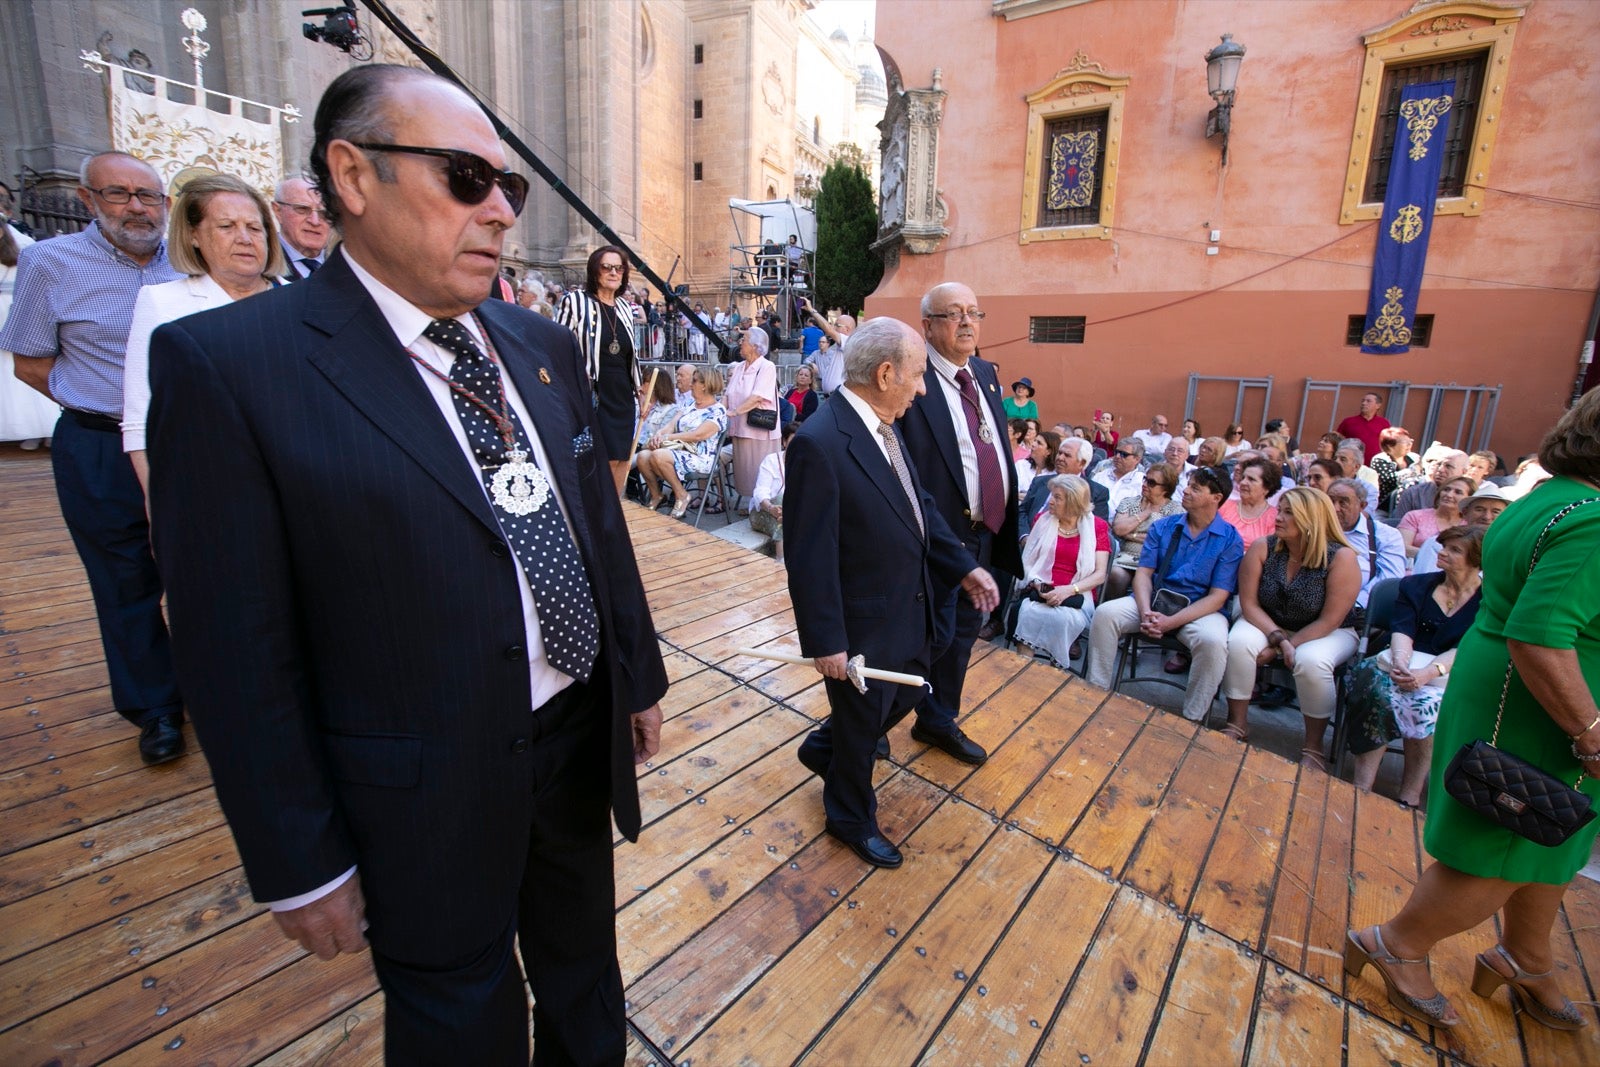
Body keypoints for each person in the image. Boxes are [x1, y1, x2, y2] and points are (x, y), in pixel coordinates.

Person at [142, 64, 668, 1063]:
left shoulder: (538, 344)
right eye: (468, 179)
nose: (501, 212)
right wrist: (297, 858)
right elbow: (232, 647)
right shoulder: (230, 368)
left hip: (568, 739)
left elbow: (597, 530)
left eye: (508, 187)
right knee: (456, 1014)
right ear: (352, 173)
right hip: (415, 782)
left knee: (583, 972)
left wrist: (633, 675)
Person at [1348, 388, 1600, 1034]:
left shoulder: (1547, 499)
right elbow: (1542, 634)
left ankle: (1527, 956)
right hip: (1538, 708)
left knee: (1549, 841)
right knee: (1502, 847)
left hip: (1510, 690)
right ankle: (1395, 944)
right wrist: (1592, 732)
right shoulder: (1595, 519)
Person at [785, 316, 996, 869]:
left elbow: (917, 505)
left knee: (910, 691)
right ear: (885, 374)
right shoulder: (819, 443)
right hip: (860, 623)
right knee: (860, 731)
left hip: (910, 607)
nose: (923, 388)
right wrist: (826, 643)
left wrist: (963, 567)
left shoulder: (884, 422)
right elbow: (809, 558)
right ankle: (849, 816)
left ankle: (823, 748)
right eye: (919, 375)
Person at [0, 150, 185, 765]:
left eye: (148, 196)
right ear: (86, 199)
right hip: (100, 447)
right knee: (124, 581)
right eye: (118, 194)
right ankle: (156, 710)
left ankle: (219, 691)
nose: (136, 207)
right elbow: (29, 363)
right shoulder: (49, 263)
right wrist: (101, 402)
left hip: (189, 448)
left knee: (203, 574)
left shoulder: (187, 260)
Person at [897, 281, 1019, 766]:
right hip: (929, 539)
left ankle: (937, 720)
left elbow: (989, 447)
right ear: (927, 325)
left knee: (963, 633)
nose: (967, 322)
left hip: (982, 533)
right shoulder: (910, 376)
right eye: (954, 314)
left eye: (974, 312)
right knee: (913, 637)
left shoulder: (986, 373)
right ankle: (875, 718)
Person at [122, 173, 288, 490]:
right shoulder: (164, 302)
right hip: (208, 477)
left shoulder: (299, 298)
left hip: (296, 479)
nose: (244, 238)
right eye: (226, 227)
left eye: (255, 227)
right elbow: (140, 418)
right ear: (194, 234)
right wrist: (156, 502)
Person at [1087, 464, 1244, 723]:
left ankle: (1193, 717)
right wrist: (1146, 610)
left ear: (1216, 498)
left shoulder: (1229, 538)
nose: (1186, 491)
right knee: (1106, 614)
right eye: (1189, 485)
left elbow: (1218, 597)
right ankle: (1095, 690)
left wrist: (1170, 622)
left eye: (1196, 488)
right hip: (1157, 600)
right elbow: (1144, 574)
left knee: (1214, 643)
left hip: (1200, 609)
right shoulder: (1165, 527)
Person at [1220, 488, 1360, 768]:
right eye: (1279, 510)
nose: (1278, 518)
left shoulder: (1341, 558)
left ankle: (1314, 747)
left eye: (1288, 513)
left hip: (1328, 631)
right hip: (1269, 620)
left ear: (1311, 519)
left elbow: (1329, 620)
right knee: (1239, 642)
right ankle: (1237, 723)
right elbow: (1249, 604)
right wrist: (1278, 639)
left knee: (1312, 661)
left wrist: (1282, 647)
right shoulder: (1265, 547)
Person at [1347, 525, 1485, 807]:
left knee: (1428, 704)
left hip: (1450, 672)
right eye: (1443, 546)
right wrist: (1400, 662)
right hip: (1399, 660)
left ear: (1477, 559)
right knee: (1378, 693)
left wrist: (1429, 673)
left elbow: (1468, 647)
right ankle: (1361, 785)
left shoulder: (1489, 600)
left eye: (1454, 550)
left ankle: (1410, 792)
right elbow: (1402, 629)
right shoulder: (1416, 585)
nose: (1442, 552)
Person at [556, 245, 643, 495]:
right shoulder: (575, 302)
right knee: (599, 458)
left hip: (623, 395)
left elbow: (631, 355)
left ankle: (613, 516)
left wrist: (641, 389)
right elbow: (557, 344)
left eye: (619, 268)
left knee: (622, 458)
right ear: (595, 271)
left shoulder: (625, 308)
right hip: (593, 392)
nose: (614, 272)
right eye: (607, 267)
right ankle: (595, 517)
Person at [1014, 475, 1110, 667]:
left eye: (1057, 497)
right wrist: (1037, 584)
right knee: (1027, 612)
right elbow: (1028, 562)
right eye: (1052, 495)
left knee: (1063, 619)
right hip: (1041, 587)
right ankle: (1020, 670)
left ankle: (1053, 676)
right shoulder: (1042, 520)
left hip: (1078, 592)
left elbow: (1100, 574)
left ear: (1073, 502)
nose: (1050, 501)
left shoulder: (1097, 526)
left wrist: (1068, 590)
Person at [0, 209, 60, 449]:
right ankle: (18, 428)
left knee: (25, 369)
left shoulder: (18, 257)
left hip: (10, 312)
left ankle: (44, 427)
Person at [636, 365, 728, 516]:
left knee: (658, 455)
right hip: (679, 450)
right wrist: (660, 434)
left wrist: (668, 438)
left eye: (695, 381)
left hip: (701, 457)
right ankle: (657, 495)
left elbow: (698, 435)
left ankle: (681, 495)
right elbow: (671, 425)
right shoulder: (688, 404)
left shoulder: (718, 411)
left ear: (705, 385)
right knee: (643, 456)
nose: (690, 385)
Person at [1106, 460, 1183, 600]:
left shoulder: (1176, 511)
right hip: (1126, 558)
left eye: (1151, 483)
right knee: (1116, 575)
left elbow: (1166, 541)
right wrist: (1145, 513)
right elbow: (1118, 529)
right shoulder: (1129, 502)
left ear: (1166, 489)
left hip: (1156, 561)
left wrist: (1131, 534)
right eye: (1145, 479)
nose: (1145, 484)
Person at [1326, 477, 1407, 610]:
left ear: (1362, 506)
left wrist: (1352, 605)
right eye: (1331, 501)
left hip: (1360, 611)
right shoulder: (1314, 531)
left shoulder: (1385, 535)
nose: (1335, 508)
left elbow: (1389, 579)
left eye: (1343, 502)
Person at [725, 325, 780, 506]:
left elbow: (757, 397)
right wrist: (717, 411)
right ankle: (749, 504)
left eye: (744, 340)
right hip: (739, 427)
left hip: (758, 428)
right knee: (743, 470)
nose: (740, 343)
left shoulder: (767, 367)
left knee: (758, 469)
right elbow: (728, 394)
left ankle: (762, 505)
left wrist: (734, 412)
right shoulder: (739, 367)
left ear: (756, 346)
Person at [1414, 482, 1513, 573]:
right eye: (1479, 509)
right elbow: (1423, 582)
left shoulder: (1513, 548)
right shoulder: (1437, 544)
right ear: (1465, 513)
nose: (1486, 517)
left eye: (1495, 511)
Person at [1021, 436, 1109, 529]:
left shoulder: (1097, 492)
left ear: (1082, 463)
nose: (1060, 458)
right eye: (1059, 453)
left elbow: (1097, 528)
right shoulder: (1039, 481)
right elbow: (1022, 512)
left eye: (1067, 455)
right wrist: (1024, 536)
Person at [1399, 474, 1474, 558]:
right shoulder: (1414, 516)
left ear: (1469, 499)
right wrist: (1437, 556)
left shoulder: (1469, 525)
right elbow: (1402, 547)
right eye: (1446, 489)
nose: (1449, 495)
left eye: (1458, 492)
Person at [271, 175, 329, 280]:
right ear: (278, 211)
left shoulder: (348, 263)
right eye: (302, 209)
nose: (315, 221)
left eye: (324, 213)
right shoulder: (261, 263)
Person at [749, 422, 794, 559]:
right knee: (782, 504)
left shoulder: (807, 463)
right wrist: (771, 508)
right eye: (793, 442)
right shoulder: (771, 461)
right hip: (764, 512)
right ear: (784, 442)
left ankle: (782, 562)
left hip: (789, 514)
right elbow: (760, 492)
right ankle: (781, 562)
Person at [1218, 456, 1280, 549]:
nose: (1243, 482)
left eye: (1251, 479)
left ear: (1267, 488)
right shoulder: (1224, 505)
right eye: (1243, 478)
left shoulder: (1274, 517)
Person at [1390, 448, 1468, 521]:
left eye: (1448, 466)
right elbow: (1398, 526)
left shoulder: (1470, 499)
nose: (1440, 469)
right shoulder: (1414, 493)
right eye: (1439, 464)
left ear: (1464, 472)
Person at [1092, 435, 1146, 515]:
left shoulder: (1142, 483)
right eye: (1116, 452)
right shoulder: (1100, 476)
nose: (1117, 456)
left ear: (1137, 459)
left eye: (1124, 454)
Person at [1337, 392, 1392, 467]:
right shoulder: (1348, 422)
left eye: (1368, 401)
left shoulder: (1384, 423)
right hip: (1351, 465)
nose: (1364, 403)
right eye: (1363, 401)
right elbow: (1337, 440)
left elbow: (1388, 444)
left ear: (1378, 405)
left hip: (1374, 465)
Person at [1371, 426, 1418, 514]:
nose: (1409, 444)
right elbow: (1391, 480)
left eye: (1410, 441)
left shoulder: (1414, 458)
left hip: (1409, 507)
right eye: (1405, 442)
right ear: (1390, 446)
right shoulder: (1380, 459)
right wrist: (1414, 470)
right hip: (1384, 509)